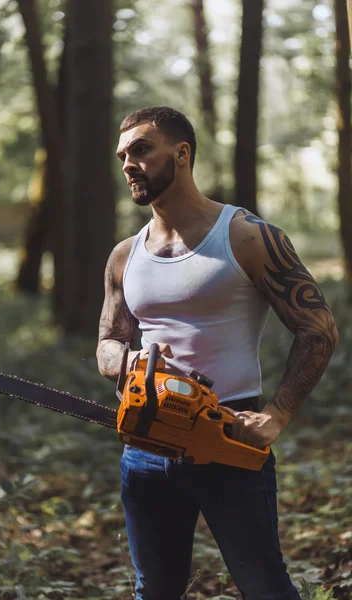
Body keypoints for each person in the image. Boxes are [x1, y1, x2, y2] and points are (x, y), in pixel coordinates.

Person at [96, 106, 338, 600]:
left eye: (142, 149)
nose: (128, 164)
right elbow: (108, 340)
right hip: (144, 446)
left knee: (265, 587)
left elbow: (318, 329)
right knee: (154, 590)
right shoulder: (125, 254)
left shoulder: (247, 236)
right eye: (123, 155)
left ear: (181, 154)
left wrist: (277, 414)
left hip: (228, 437)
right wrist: (126, 363)